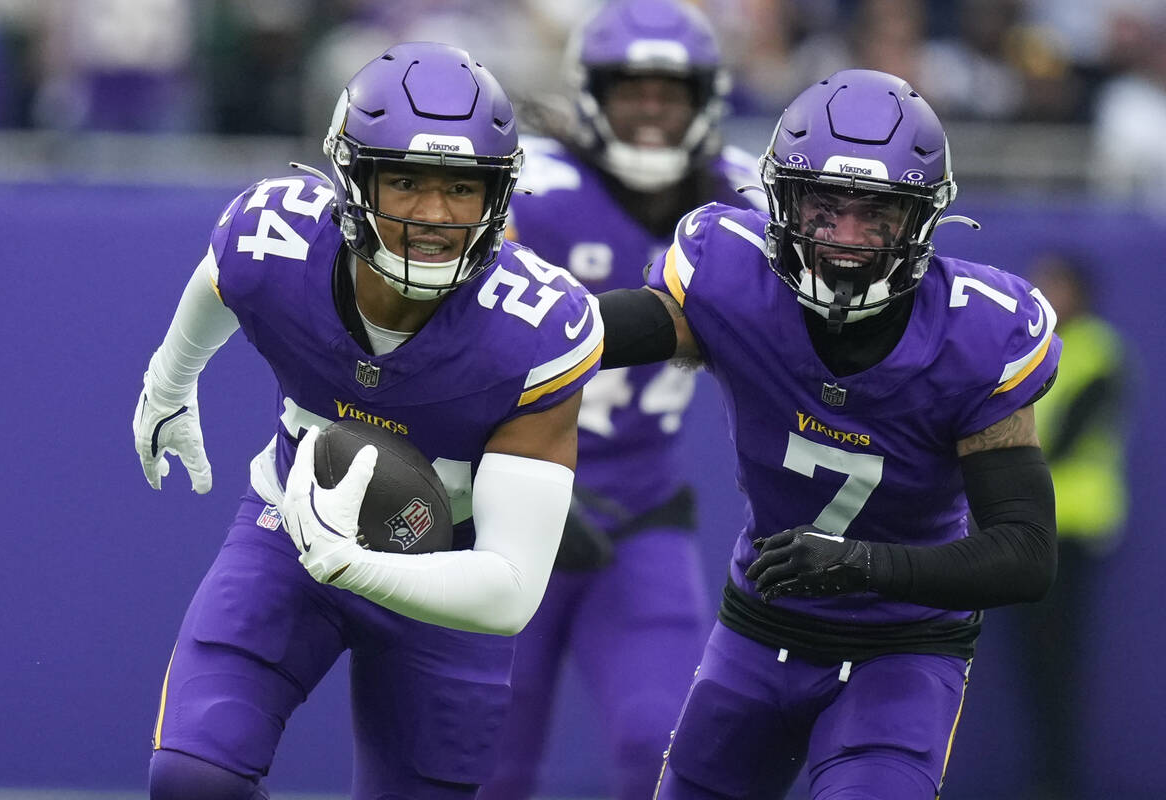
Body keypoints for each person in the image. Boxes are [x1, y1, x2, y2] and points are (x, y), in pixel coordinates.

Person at [132, 42, 603, 800]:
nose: (433, 214)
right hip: (287, 529)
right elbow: (219, 279)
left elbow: (511, 587)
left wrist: (358, 567)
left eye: (461, 187)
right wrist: (169, 381)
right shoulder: (275, 238)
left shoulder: (537, 329)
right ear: (353, 180)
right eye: (406, 181)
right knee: (192, 779)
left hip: (453, 571)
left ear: (498, 196)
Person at [596, 68, 1062, 799]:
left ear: (921, 220)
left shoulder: (978, 332)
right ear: (783, 200)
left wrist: (866, 565)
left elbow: (1027, 553)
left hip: (904, 647)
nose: (846, 239)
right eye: (824, 207)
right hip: (758, 628)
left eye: (876, 214)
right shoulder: (729, 277)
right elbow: (584, 334)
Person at [479, 2, 767, 798]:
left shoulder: (746, 203)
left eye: (667, 92)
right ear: (591, 93)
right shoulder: (533, 188)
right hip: (498, 507)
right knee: (483, 765)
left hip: (640, 515)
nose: (649, 107)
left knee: (663, 746)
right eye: (630, 88)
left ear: (704, 98)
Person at [1007, 253, 1130, 800]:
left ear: (1080, 290)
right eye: (1042, 281)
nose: (1047, 290)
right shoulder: (1026, 346)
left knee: (1058, 661)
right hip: (1025, 524)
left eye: (1057, 282)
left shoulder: (1102, 351)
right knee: (1033, 662)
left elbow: (1065, 437)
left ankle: (1057, 781)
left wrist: (1002, 461)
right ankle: (1046, 778)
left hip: (1073, 530)